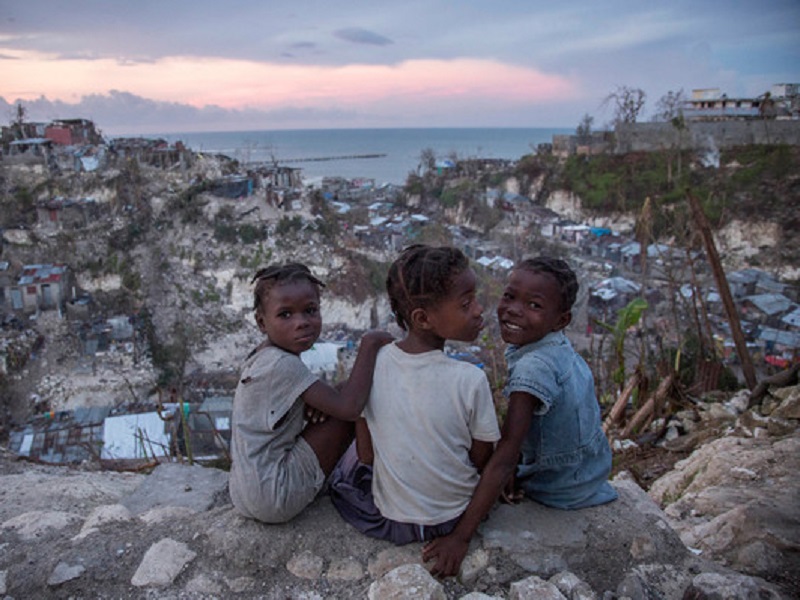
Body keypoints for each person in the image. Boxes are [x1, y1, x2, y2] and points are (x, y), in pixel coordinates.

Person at [423, 256, 617, 576]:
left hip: (558, 486)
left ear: (560, 320)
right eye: (510, 297)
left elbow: (507, 454)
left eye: (534, 305)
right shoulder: (558, 348)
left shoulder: (533, 367)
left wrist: (460, 536)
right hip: (589, 471)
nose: (513, 309)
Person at [330, 245, 501, 545]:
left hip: (395, 522)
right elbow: (481, 459)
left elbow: (367, 455)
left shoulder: (375, 364)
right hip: (455, 518)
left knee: (346, 471)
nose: (478, 310)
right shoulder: (471, 379)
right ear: (423, 318)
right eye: (466, 304)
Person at [228, 263, 391, 524]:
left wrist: (316, 402)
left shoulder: (261, 357)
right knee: (352, 407)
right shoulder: (284, 365)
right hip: (275, 495)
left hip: (245, 492)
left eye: (310, 311)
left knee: (339, 395)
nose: (302, 322)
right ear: (261, 322)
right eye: (285, 315)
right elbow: (350, 407)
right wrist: (369, 344)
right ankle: (367, 478)